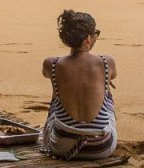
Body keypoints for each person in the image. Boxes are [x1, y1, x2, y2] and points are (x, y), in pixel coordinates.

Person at [41, 10, 117, 160]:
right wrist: (104, 79)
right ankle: (93, 129)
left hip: (62, 147)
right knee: (107, 93)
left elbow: (46, 74)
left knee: (56, 93)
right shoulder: (106, 62)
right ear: (88, 39)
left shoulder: (52, 64)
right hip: (101, 147)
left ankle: (68, 130)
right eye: (96, 33)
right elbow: (112, 75)